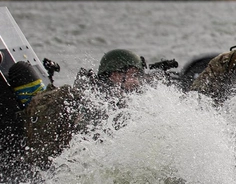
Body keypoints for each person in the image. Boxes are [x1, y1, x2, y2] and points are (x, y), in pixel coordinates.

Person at [19, 49, 147, 171]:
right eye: (133, 75)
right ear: (115, 75)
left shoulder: (103, 95)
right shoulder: (96, 101)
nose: (137, 81)